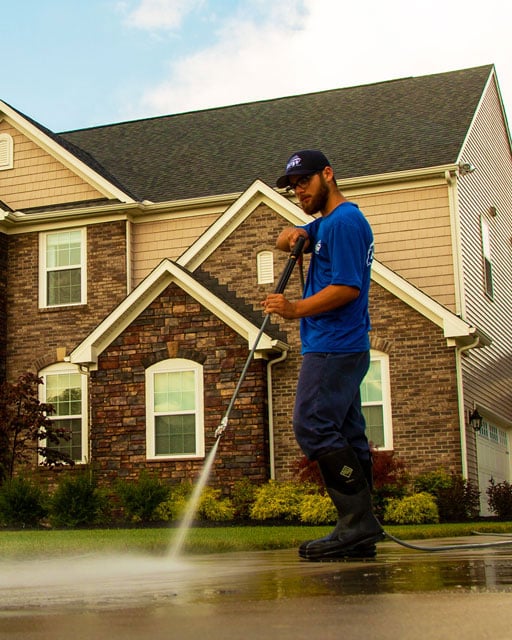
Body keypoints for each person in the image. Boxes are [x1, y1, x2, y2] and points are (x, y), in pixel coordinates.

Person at [263, 149, 384, 561]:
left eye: (305, 182)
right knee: (348, 434)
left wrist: (294, 308)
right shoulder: (326, 225)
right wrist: (292, 236)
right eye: (294, 185)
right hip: (340, 345)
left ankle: (357, 522)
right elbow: (283, 237)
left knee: (312, 422)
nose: (299, 191)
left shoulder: (345, 222)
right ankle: (360, 532)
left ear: (328, 175)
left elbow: (348, 287)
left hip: (334, 345)